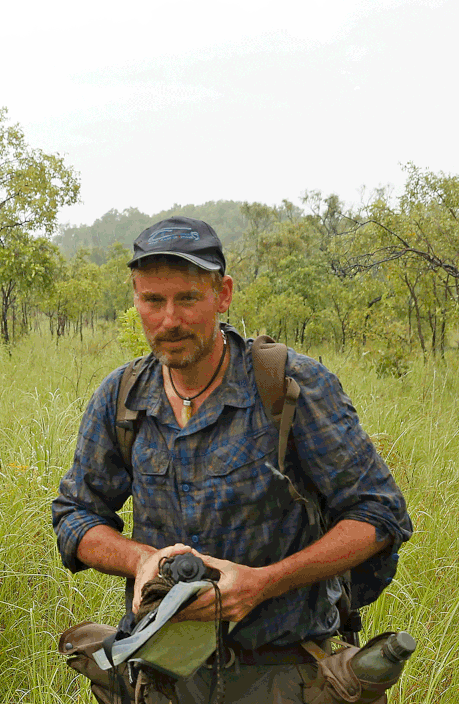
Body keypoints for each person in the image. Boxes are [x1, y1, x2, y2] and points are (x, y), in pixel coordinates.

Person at [51, 217, 412, 702]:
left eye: (188, 299)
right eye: (152, 301)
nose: (169, 319)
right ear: (135, 298)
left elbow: (379, 514)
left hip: (282, 671)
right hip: (161, 674)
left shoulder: (288, 387)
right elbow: (76, 514)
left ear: (223, 295)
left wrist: (264, 583)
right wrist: (143, 561)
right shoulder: (123, 396)